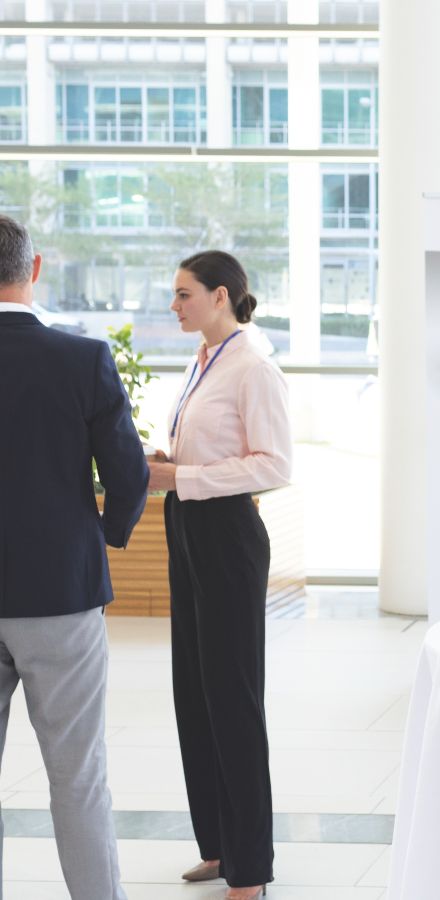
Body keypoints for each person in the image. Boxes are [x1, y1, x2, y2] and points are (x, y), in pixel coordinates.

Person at [0, 215, 145, 899]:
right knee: (78, 777)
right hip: (61, 592)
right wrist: (106, 533)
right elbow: (130, 471)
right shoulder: (80, 359)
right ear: (35, 269)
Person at [146, 250, 292, 899]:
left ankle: (251, 868)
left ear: (222, 295)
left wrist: (184, 476)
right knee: (193, 690)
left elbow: (274, 465)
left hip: (228, 534)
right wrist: (171, 461)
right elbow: (208, 451)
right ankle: (218, 847)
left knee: (231, 697)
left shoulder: (252, 366)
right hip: (188, 527)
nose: (174, 305)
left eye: (183, 294)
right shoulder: (203, 361)